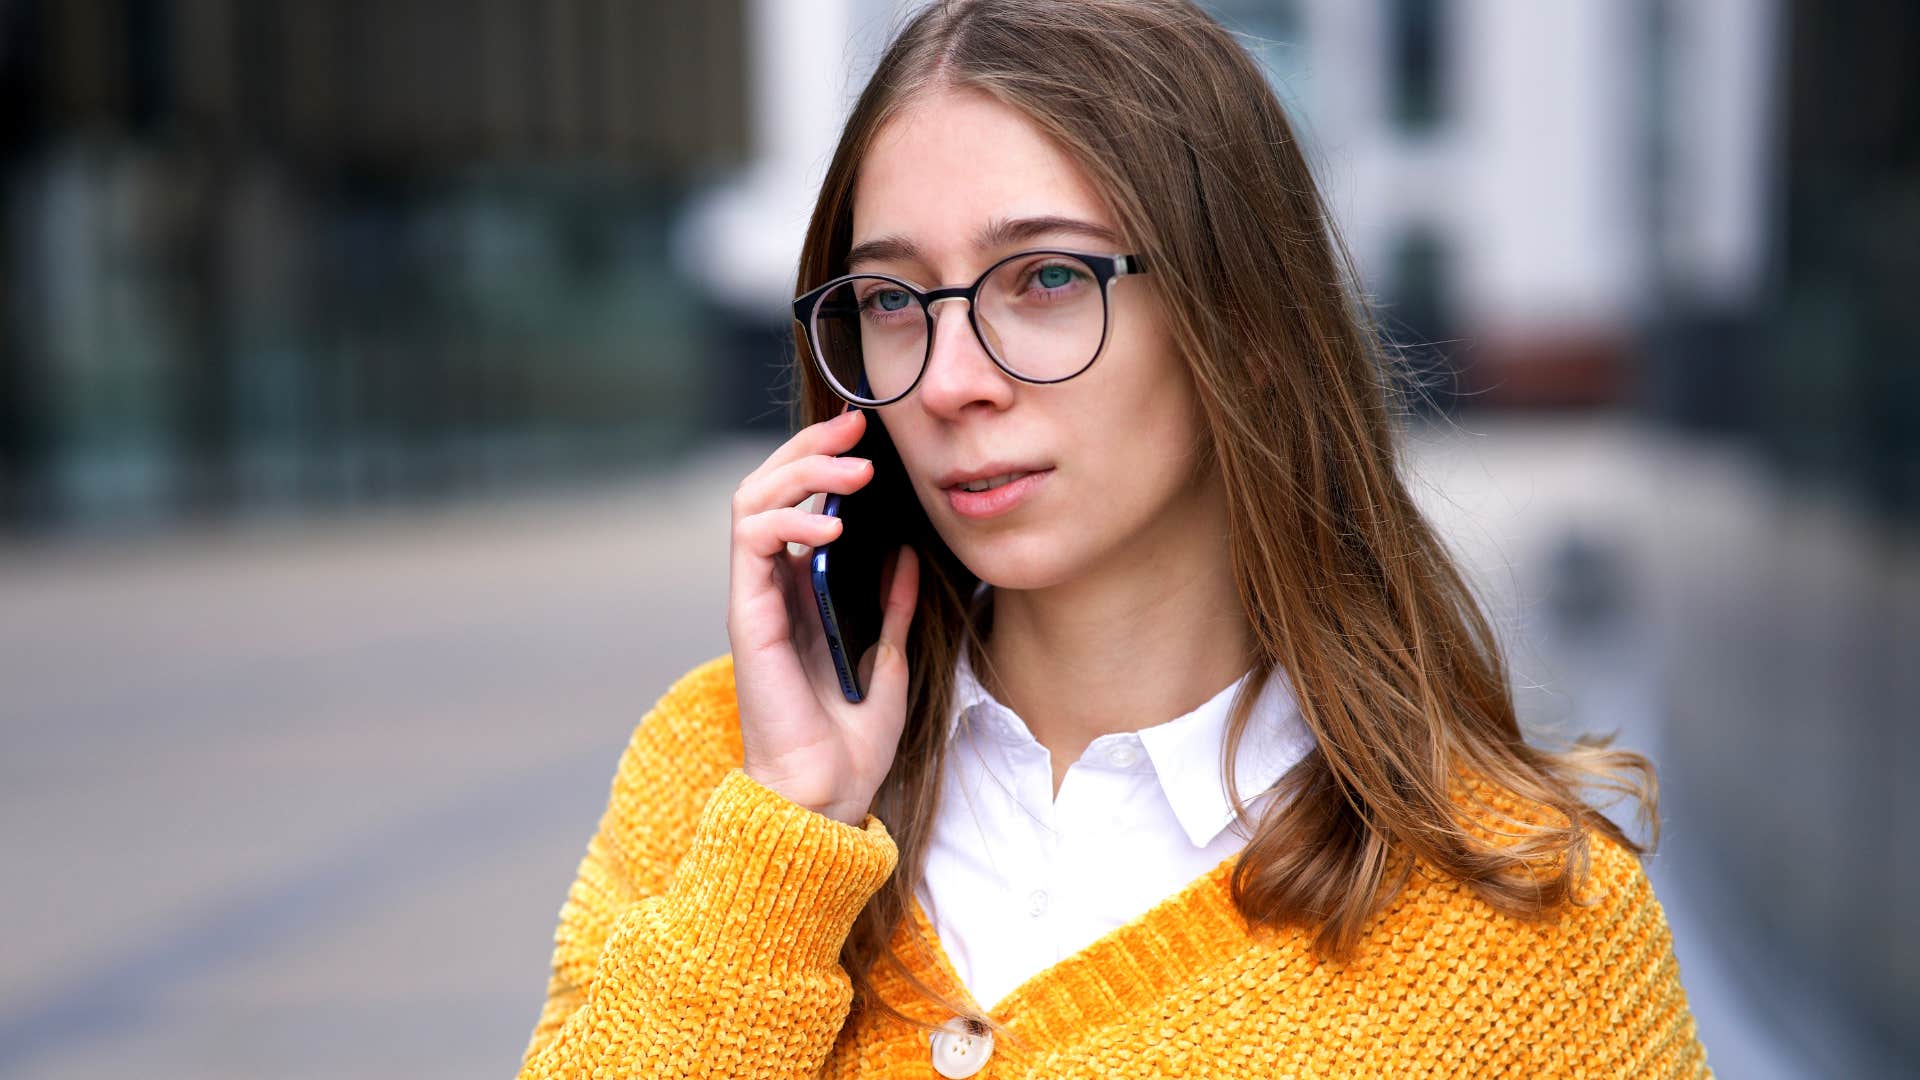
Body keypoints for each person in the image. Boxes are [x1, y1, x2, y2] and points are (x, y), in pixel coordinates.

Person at [517, 1, 1712, 1076]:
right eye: (892, 300)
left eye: (1042, 278)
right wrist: (786, 849)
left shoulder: (1527, 920)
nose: (950, 381)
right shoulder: (719, 776)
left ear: (1240, 325)